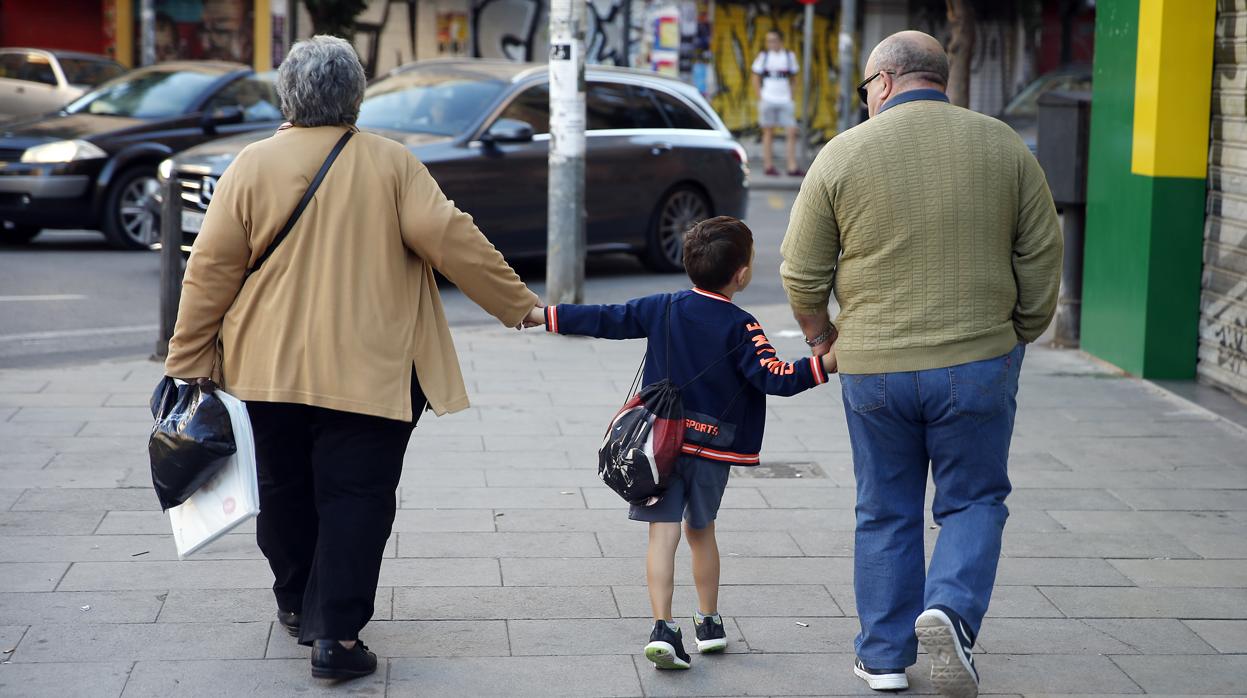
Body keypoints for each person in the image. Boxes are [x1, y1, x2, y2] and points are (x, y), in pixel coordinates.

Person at [163, 36, 539, 681]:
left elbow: (209, 273)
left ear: (288, 93)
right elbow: (453, 238)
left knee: (280, 491)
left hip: (265, 371)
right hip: (372, 372)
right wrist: (519, 305)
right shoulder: (393, 164)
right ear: (356, 97)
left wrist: (186, 360)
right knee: (356, 498)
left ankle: (294, 601)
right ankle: (334, 636)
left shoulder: (250, 166)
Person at [779, 31, 1062, 697]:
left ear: (882, 82)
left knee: (883, 507)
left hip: (873, 366)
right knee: (972, 500)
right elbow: (1041, 257)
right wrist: (1018, 330)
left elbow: (800, 271)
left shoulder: (843, 153)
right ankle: (950, 614)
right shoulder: (1003, 147)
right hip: (977, 357)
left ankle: (882, 657)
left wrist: (823, 338)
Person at [525, 216, 836, 670]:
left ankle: (663, 628)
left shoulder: (663, 307)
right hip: (714, 449)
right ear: (742, 274)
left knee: (662, 535)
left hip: (658, 449)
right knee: (701, 532)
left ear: (689, 264)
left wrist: (542, 315)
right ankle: (708, 623)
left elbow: (605, 318)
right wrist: (827, 363)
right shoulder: (743, 326)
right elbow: (774, 378)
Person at [751, 30, 802, 177]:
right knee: (768, 132)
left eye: (773, 40)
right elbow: (755, 77)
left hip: (785, 100)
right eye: (768, 41)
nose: (770, 43)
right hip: (768, 99)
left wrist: (791, 95)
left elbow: (794, 78)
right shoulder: (763, 57)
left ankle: (791, 167)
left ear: (780, 41)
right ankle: (768, 166)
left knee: (791, 131)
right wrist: (761, 97)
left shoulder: (788, 56)